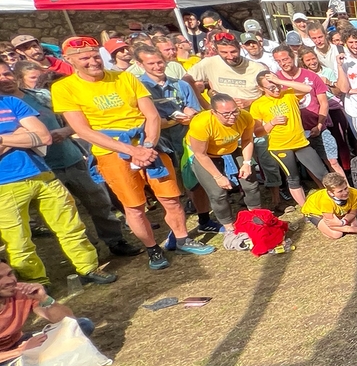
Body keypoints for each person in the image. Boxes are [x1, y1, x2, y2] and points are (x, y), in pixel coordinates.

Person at [51, 37, 214, 271]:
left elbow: (152, 115)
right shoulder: (63, 88)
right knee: (134, 206)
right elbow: (82, 130)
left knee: (171, 197)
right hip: (112, 152)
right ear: (69, 60)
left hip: (148, 144)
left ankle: (181, 238)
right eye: (84, 58)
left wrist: (147, 146)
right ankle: (152, 249)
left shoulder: (125, 77)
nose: (92, 61)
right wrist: (130, 150)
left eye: (95, 56)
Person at [8, 62, 137, 257]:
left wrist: (66, 131)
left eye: (6, 74)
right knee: (67, 215)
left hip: (71, 158)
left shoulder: (41, 97)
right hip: (42, 168)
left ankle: (116, 240)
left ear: (14, 75)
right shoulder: (4, 109)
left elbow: (74, 121)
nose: (4, 80)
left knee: (99, 201)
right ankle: (90, 248)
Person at [0, 75, 116, 288]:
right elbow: (34, 134)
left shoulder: (11, 102)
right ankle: (37, 284)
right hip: (4, 185)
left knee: (70, 225)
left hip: (42, 174)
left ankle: (88, 268)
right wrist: (21, 133)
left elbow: (44, 136)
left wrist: (2, 138)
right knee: (17, 240)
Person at [250, 70, 330, 209]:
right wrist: (272, 123)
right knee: (293, 178)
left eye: (276, 85)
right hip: (280, 147)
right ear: (261, 89)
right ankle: (307, 209)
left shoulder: (289, 94)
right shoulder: (258, 105)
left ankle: (332, 201)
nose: (276, 89)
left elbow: (308, 89)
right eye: (271, 87)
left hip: (301, 143)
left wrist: (280, 81)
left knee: (322, 173)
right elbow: (258, 133)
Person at [185, 94, 262, 231]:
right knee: (218, 193)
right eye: (226, 114)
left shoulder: (244, 117)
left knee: (250, 183)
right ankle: (229, 227)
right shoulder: (201, 123)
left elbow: (247, 140)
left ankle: (256, 216)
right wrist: (218, 176)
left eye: (235, 111)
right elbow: (200, 154)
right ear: (213, 112)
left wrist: (247, 163)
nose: (232, 117)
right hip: (206, 155)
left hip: (231, 149)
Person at [301, 172, 357, 239]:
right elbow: (332, 225)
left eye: (346, 188)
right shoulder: (325, 201)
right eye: (340, 191)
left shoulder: (354, 193)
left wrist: (343, 222)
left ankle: (338, 217)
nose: (345, 192)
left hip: (337, 209)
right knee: (337, 234)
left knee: (353, 227)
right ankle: (321, 224)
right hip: (315, 212)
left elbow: (353, 213)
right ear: (331, 193)